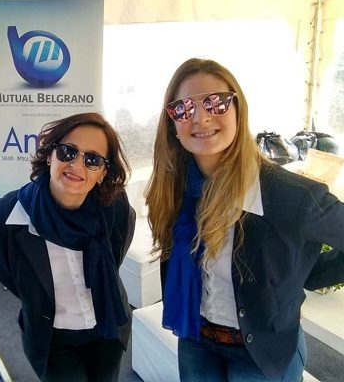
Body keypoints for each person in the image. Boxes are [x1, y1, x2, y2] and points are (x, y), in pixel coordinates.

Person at [145, 57, 344, 381]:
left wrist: (305, 275)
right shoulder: (174, 189)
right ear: (172, 125)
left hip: (262, 351)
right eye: (182, 108)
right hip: (196, 336)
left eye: (215, 102)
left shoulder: (292, 196)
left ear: (239, 110)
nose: (200, 116)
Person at [0, 112, 135, 381]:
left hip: (108, 327)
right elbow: (8, 276)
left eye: (93, 160)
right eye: (68, 151)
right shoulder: (5, 215)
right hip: (52, 340)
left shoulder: (116, 208)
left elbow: (116, 256)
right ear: (49, 155)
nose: (77, 165)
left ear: (103, 173)